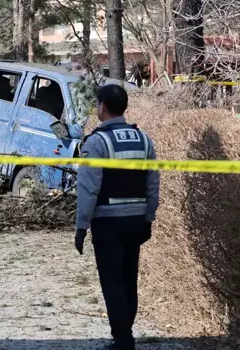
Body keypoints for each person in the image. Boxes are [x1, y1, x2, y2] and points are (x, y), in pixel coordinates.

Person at [74, 84, 160, 350]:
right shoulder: (144, 139)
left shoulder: (97, 142)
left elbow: (89, 189)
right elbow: (153, 183)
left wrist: (81, 226)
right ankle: (126, 332)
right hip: (136, 220)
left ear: (102, 107)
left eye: (97, 104)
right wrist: (149, 217)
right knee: (128, 278)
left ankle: (122, 338)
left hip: (108, 222)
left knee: (111, 280)